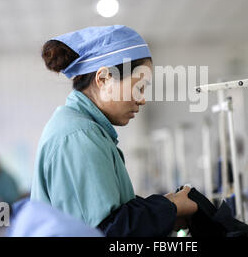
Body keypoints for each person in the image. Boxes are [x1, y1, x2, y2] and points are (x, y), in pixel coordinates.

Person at [31, 25, 197, 236]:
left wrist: (167, 208)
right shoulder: (79, 136)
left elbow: (109, 216)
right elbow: (109, 231)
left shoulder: (83, 130)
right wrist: (170, 208)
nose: (142, 99)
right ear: (104, 79)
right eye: (139, 87)